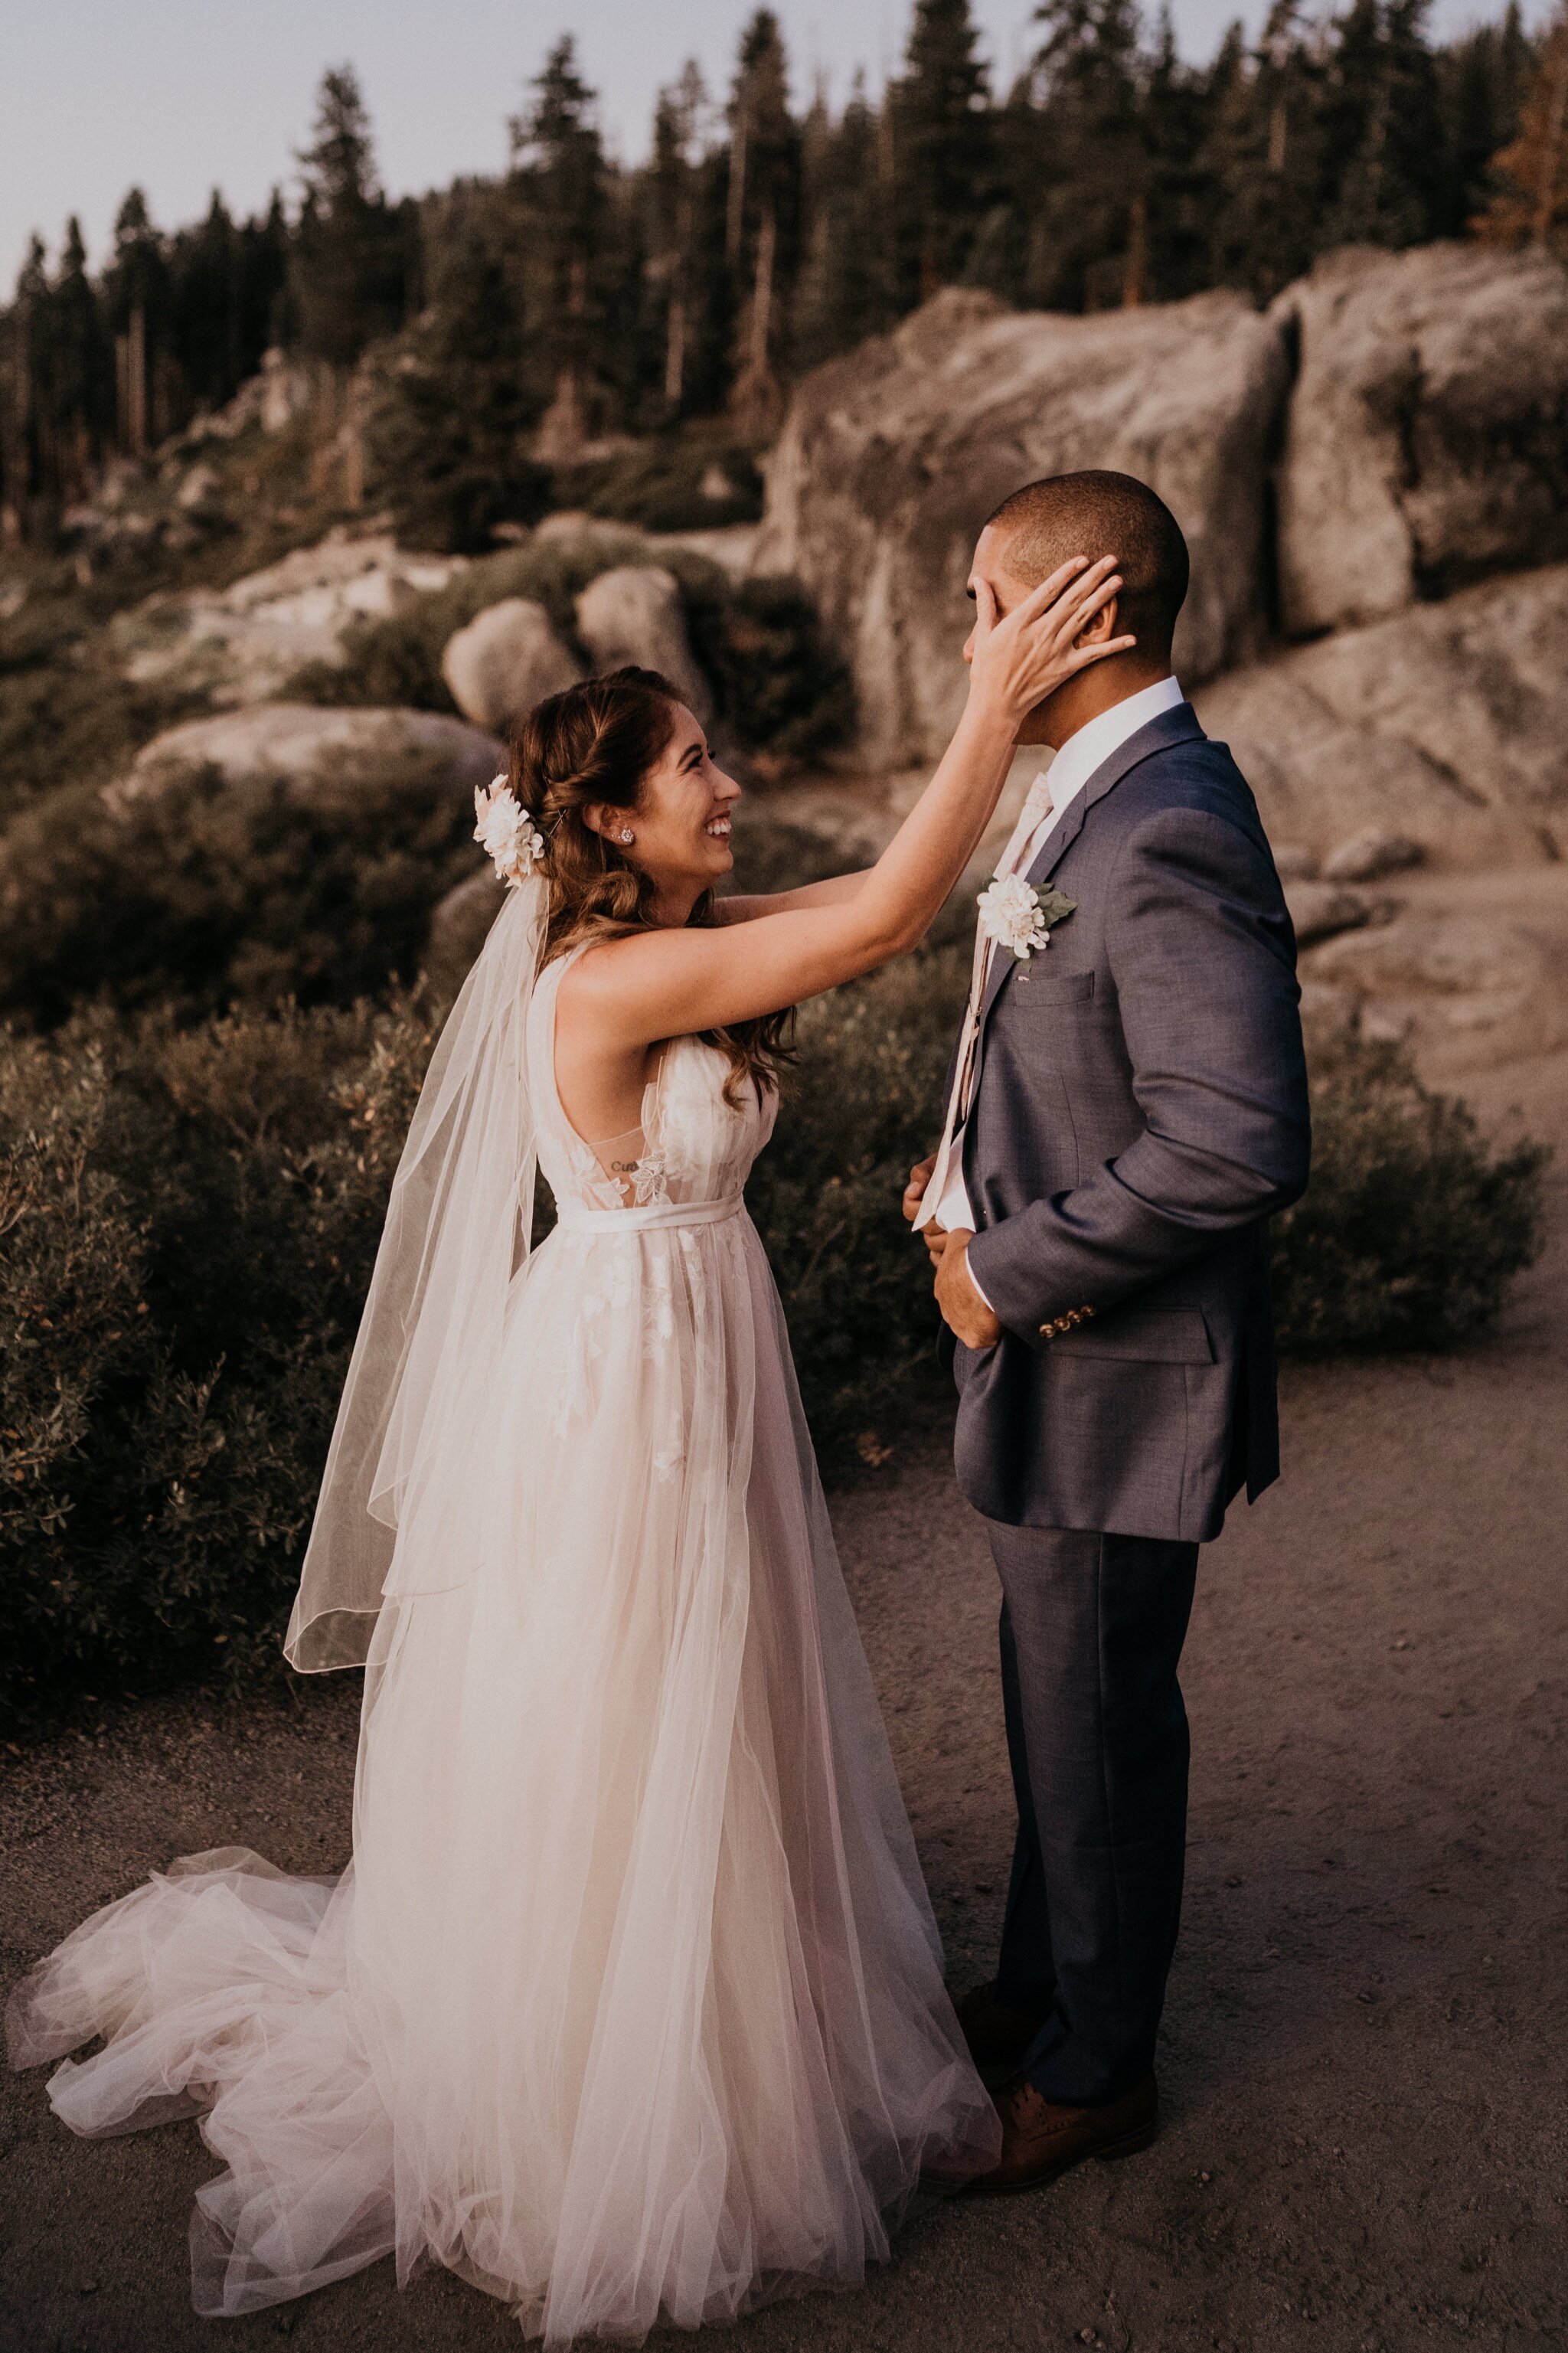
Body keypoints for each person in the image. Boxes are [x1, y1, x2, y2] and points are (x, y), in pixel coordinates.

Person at [6, 557, 1131, 2344]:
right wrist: (992, 695)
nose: (724, 783)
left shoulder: (659, 941)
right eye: (690, 765)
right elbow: (886, 922)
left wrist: (1022, 830)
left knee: (708, 1691)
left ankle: (705, 2010)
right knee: (635, 1696)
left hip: (692, 1338)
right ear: (606, 818)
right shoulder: (608, 982)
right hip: (631, 1375)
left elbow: (882, 897)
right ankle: (614, 2084)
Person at [905, 469, 1311, 2194]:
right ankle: (1036, 1984)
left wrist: (1012, 1268)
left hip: (1108, 1366)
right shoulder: (1096, 790)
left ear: (1081, 613)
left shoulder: (1166, 815)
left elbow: (1233, 1136)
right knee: (1051, 1696)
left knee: (1098, 1711)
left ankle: (1096, 2069)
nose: (968, 632)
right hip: (1063, 1349)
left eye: (989, 602)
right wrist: (957, 1172)